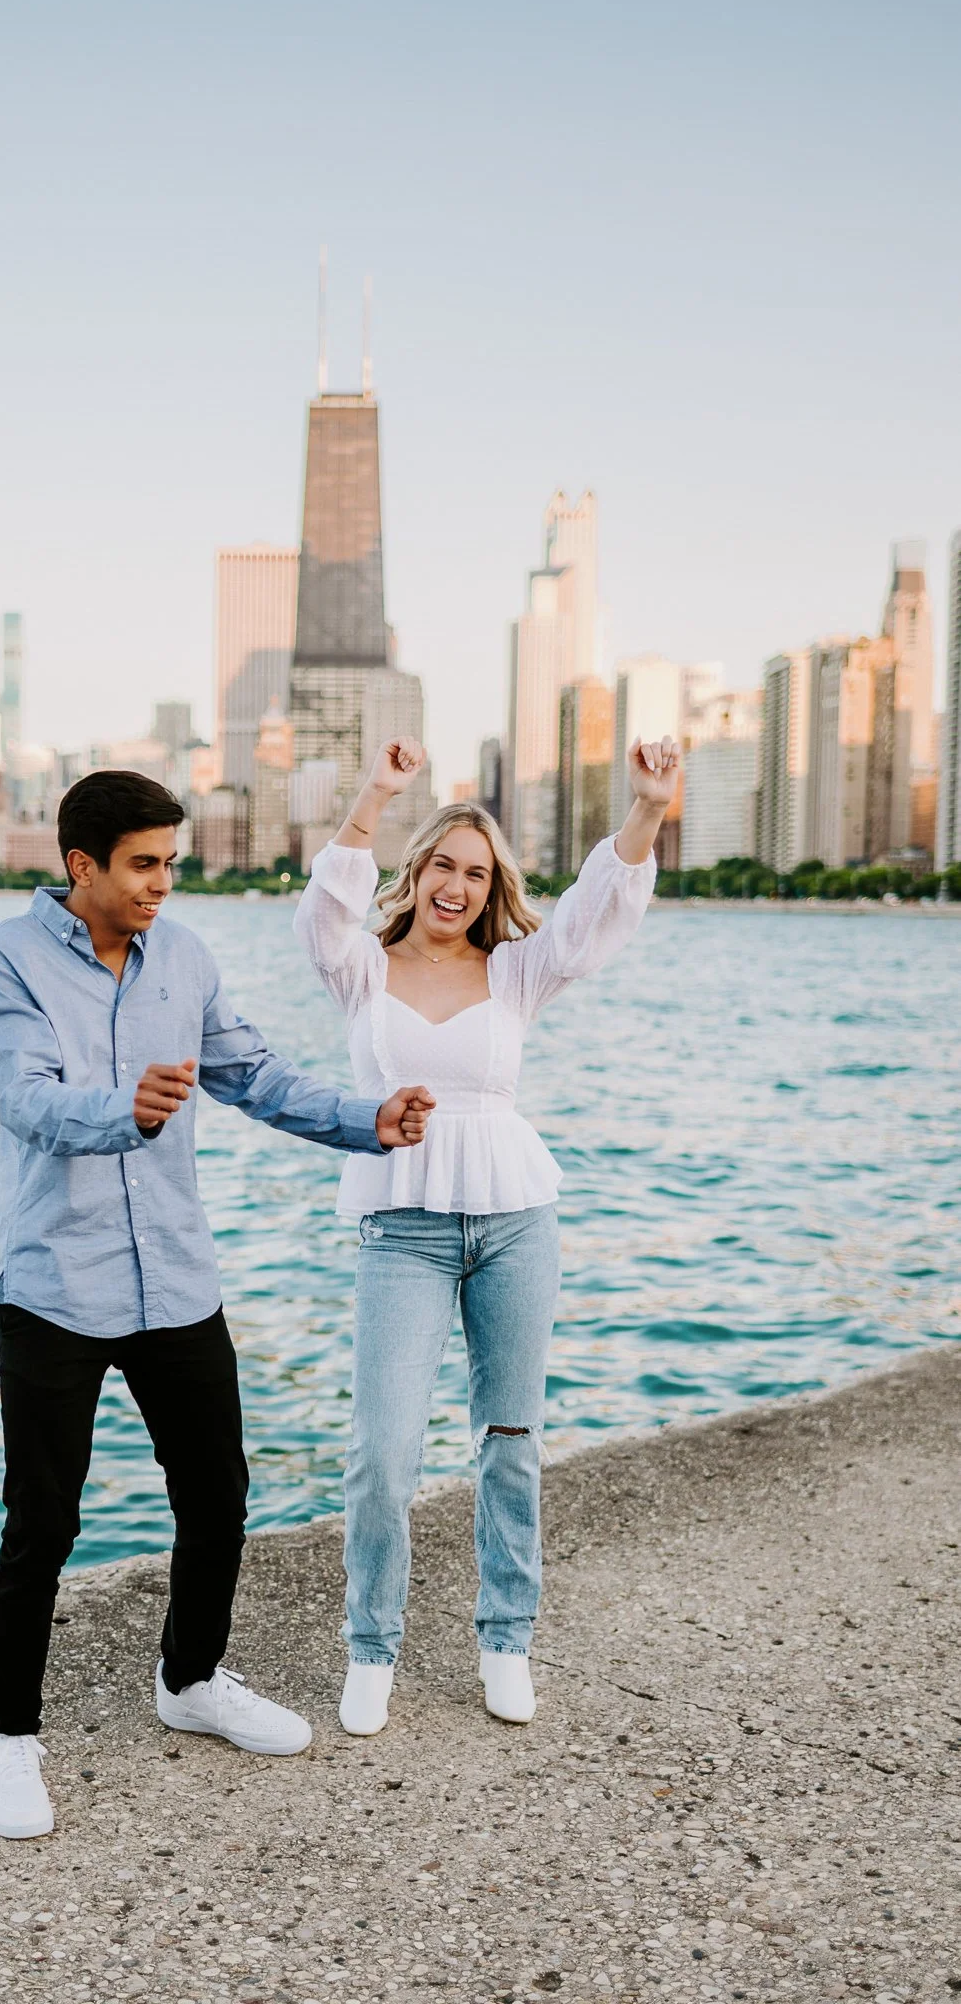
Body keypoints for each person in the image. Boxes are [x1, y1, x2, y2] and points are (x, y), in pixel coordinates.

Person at [0, 768, 434, 1839]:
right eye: (142, 863)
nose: (163, 882)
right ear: (82, 866)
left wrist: (371, 1118)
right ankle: (8, 1735)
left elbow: (255, 1075)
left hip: (174, 1274)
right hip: (54, 1285)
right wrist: (119, 1110)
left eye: (171, 860)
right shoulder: (2, 960)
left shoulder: (184, 956)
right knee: (44, 1520)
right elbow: (23, 1097)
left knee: (217, 1493)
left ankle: (191, 1679)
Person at [294, 733, 679, 1737]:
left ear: (489, 884)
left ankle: (505, 1635)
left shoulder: (516, 973)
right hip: (402, 1228)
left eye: (475, 871)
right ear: (414, 871)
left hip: (515, 1219)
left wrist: (646, 807)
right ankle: (369, 1645)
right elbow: (326, 905)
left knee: (509, 1438)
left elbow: (597, 912)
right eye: (441, 866)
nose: (456, 885)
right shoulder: (360, 971)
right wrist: (377, 792)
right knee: (382, 1450)